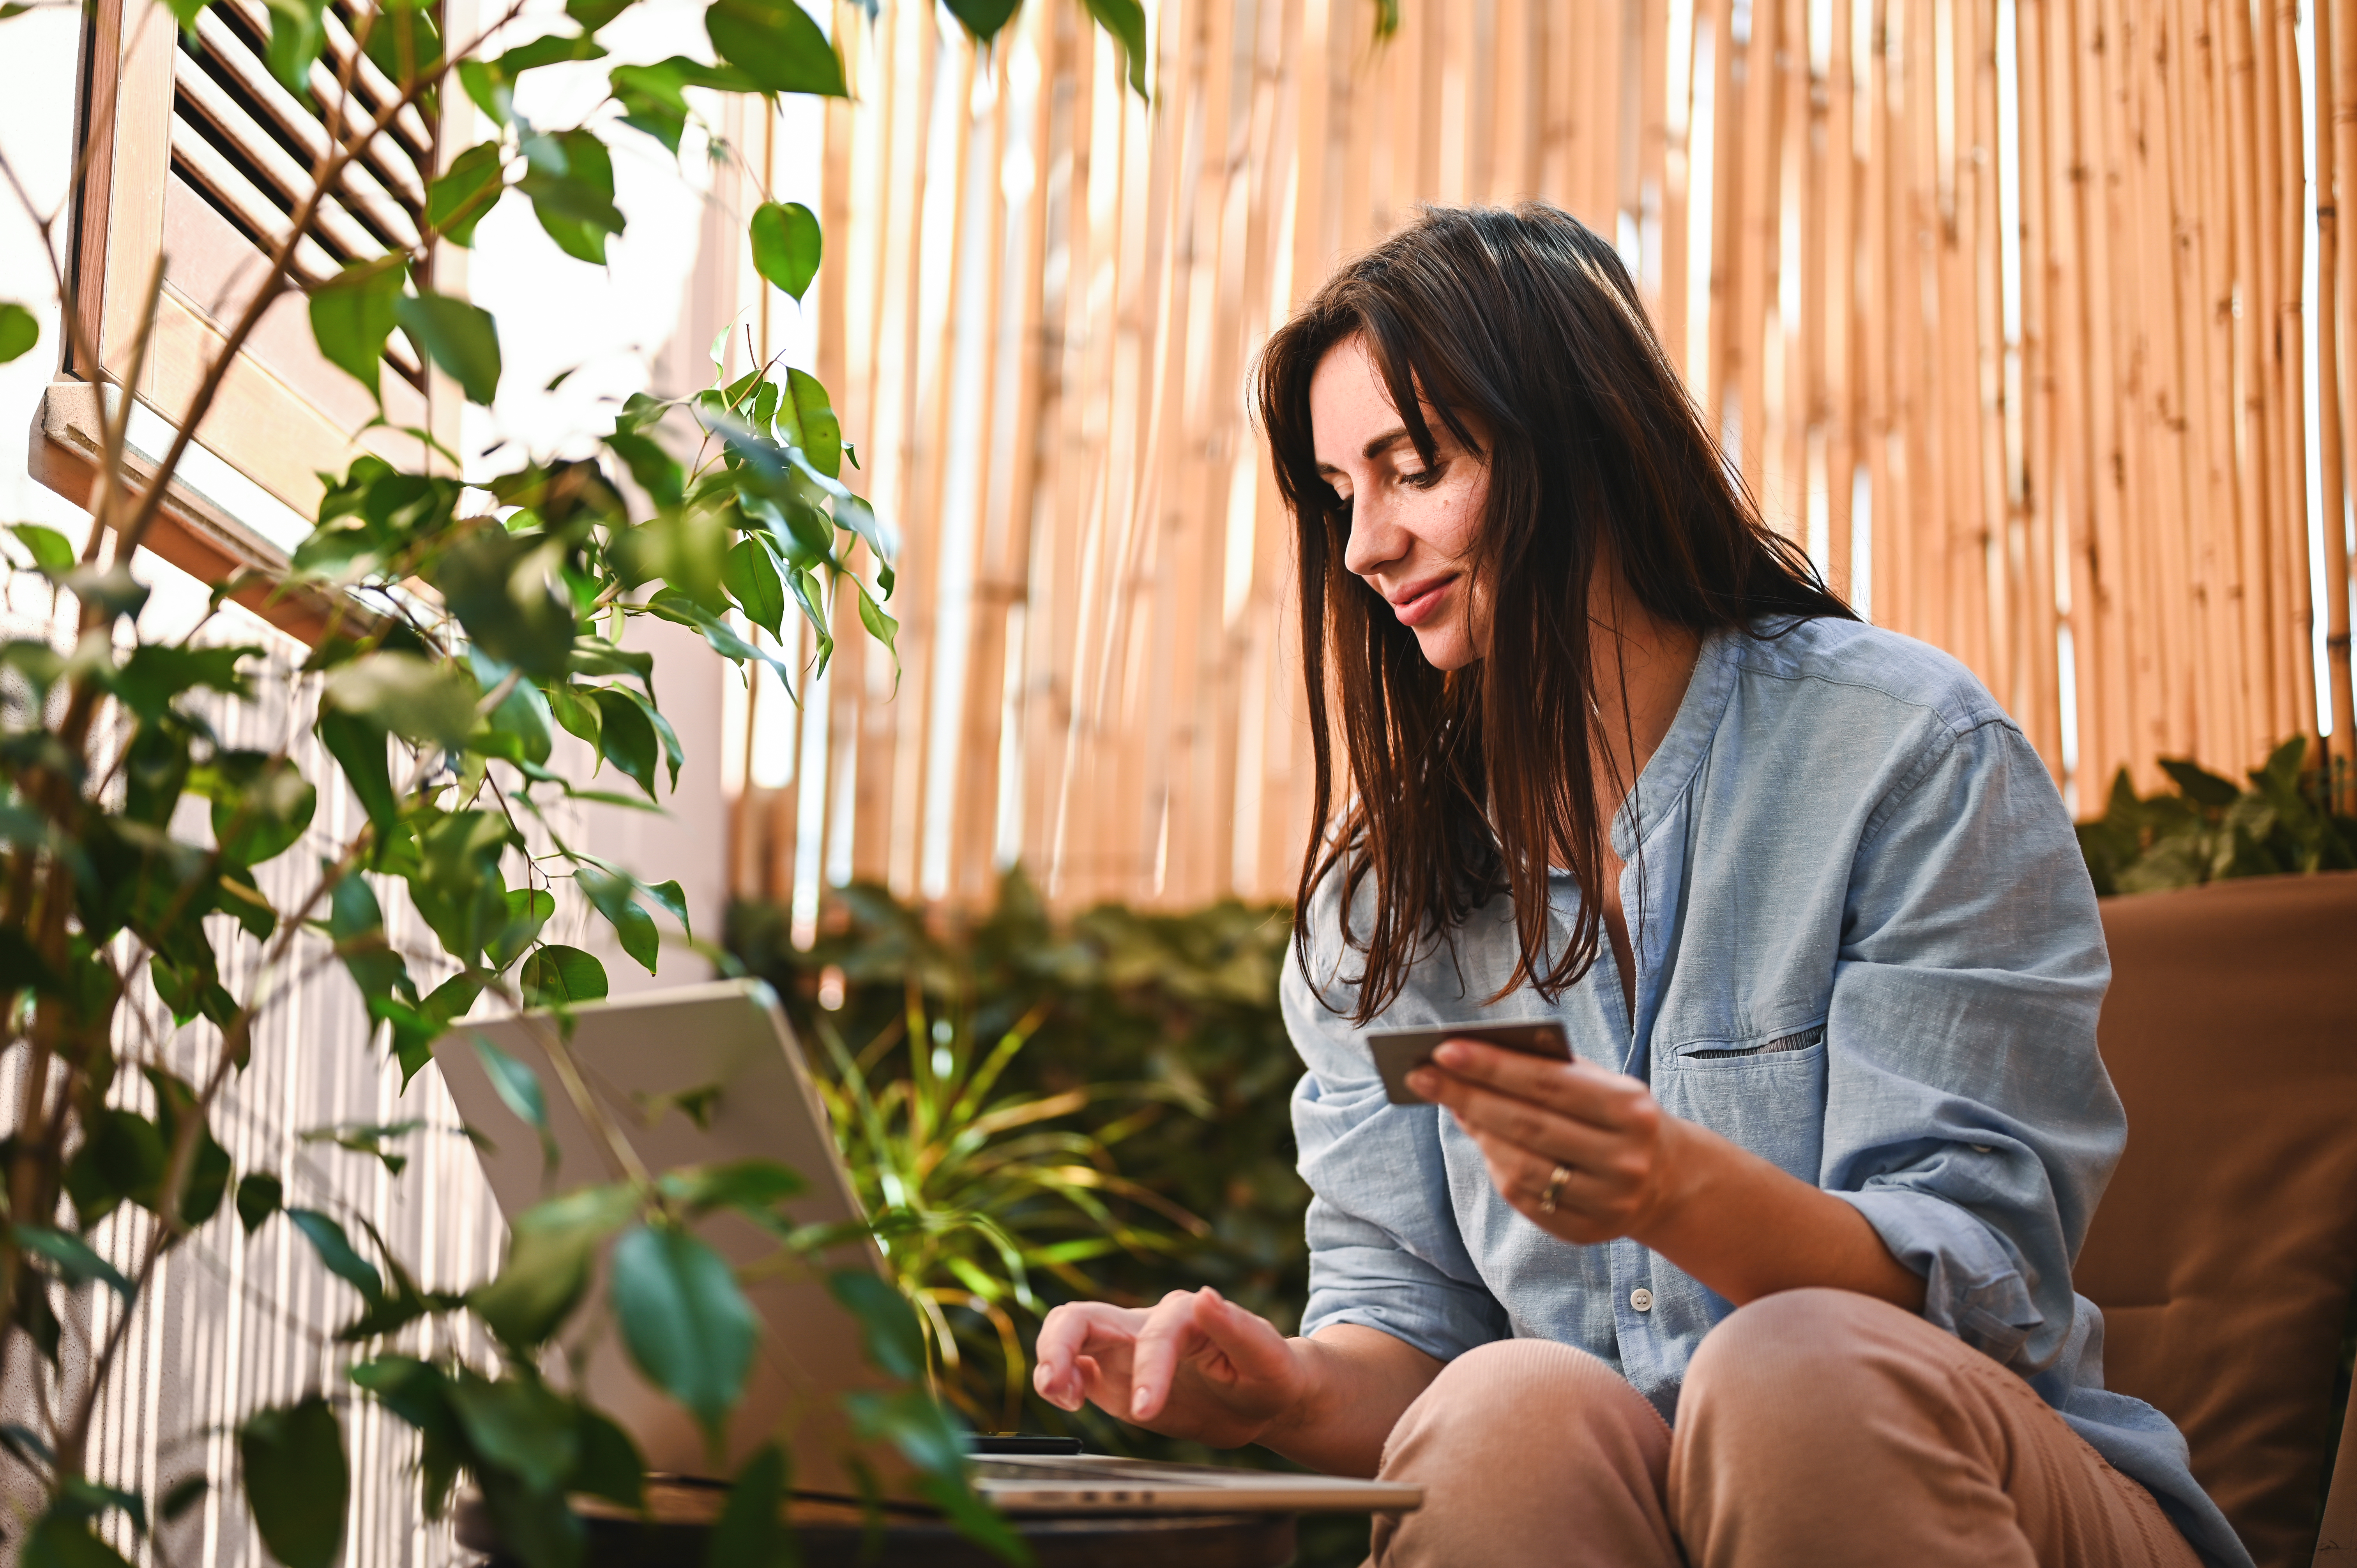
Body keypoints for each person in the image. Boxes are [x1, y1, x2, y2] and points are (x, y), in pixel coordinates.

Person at [1028, 203, 2249, 1568]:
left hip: (1990, 1478)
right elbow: (1411, 1338)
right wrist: (1278, 1390)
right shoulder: (1381, 911)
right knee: (1504, 1407)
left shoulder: (1908, 754)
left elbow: (1977, 1291)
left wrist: (1672, 1188)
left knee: (1791, 1370)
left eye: (1412, 467)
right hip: (1632, 1511)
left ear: (1580, 447)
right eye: (1337, 494)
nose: (1364, 545)